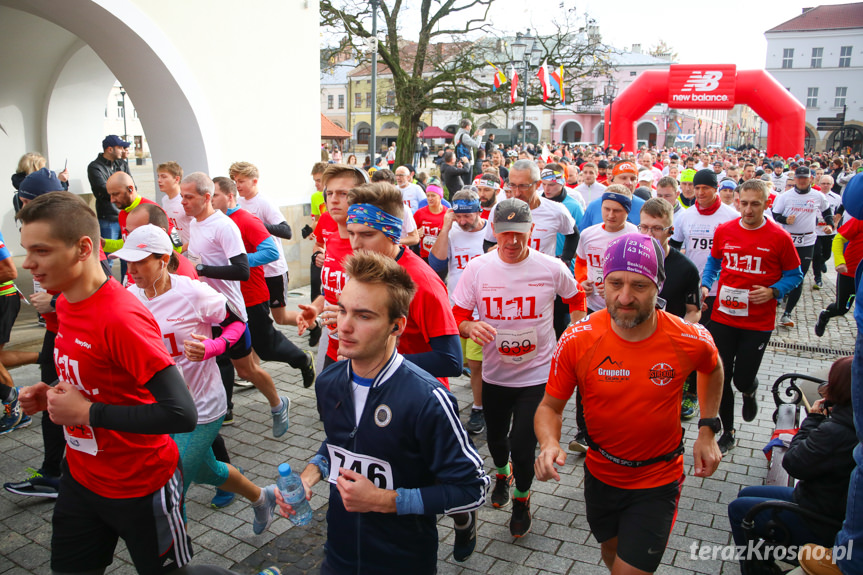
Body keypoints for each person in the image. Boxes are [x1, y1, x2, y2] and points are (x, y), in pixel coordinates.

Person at [16, 191, 199, 574]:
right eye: (26, 250)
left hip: (142, 486)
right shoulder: (65, 301)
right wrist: (51, 390)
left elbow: (181, 414)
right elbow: (94, 377)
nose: (28, 263)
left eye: (41, 251)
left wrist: (88, 412)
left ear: (84, 248)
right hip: (81, 479)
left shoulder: (121, 318)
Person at [275, 251, 489, 573]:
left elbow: (473, 487)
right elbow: (342, 444)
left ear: (396, 326)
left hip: (403, 562)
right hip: (338, 557)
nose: (344, 327)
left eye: (363, 316)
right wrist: (310, 474)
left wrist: (383, 501)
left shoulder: (428, 399)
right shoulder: (330, 382)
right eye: (343, 310)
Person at [535, 232, 723, 575]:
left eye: (639, 285)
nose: (624, 297)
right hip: (601, 473)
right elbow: (550, 407)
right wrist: (548, 443)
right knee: (611, 549)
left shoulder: (688, 338)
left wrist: (708, 428)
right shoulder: (578, 339)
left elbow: (713, 366)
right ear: (602, 282)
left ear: (659, 286)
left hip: (658, 478)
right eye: (615, 283)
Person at [114, 224, 280, 533]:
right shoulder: (129, 296)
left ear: (163, 260)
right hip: (160, 407)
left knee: (171, 484)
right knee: (208, 471)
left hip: (202, 406)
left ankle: (177, 560)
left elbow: (238, 325)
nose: (131, 269)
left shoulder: (193, 292)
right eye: (128, 261)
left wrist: (212, 346)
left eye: (140, 261)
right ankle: (262, 497)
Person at [452, 198, 586, 538]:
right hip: (496, 374)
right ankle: (501, 472)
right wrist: (469, 328)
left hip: (538, 374)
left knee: (523, 445)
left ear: (532, 231)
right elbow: (457, 315)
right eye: (505, 233)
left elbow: (576, 297)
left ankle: (522, 499)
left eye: (520, 233)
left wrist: (575, 328)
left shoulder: (551, 267)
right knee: (497, 441)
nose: (512, 242)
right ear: (493, 230)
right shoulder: (478, 268)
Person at [181, 172, 291, 436]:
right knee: (206, 365)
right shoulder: (196, 223)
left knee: (247, 368)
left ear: (206, 198)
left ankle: (278, 404)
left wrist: (202, 268)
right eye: (182, 196)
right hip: (204, 311)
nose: (183, 202)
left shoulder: (224, 226)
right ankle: (211, 418)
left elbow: (242, 270)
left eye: (188, 197)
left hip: (229, 312)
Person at [701, 179, 803, 452]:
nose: (748, 210)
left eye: (755, 204)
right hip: (724, 316)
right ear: (737, 201)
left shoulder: (779, 237)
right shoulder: (725, 230)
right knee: (720, 375)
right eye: (743, 203)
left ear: (767, 204)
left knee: (741, 378)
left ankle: (749, 390)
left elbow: (795, 275)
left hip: (758, 321)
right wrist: (705, 283)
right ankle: (728, 431)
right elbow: (714, 260)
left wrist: (773, 291)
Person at [727, 357, 856, 570]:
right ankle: (762, 557)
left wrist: (813, 420)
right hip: (824, 502)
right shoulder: (849, 420)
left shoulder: (838, 430)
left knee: (739, 510)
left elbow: (793, 462)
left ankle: (758, 570)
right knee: (745, 494)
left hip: (820, 519)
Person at [428, 189, 488, 435]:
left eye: (468, 216)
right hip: (455, 307)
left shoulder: (490, 232)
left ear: (479, 211)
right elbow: (436, 265)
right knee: (455, 361)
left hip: (482, 310)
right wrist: (445, 228)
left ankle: (478, 407)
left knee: (476, 364)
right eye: (458, 216)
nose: (463, 221)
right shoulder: (452, 232)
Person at [639, 198, 703, 419]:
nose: (649, 234)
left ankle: (689, 392)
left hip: (670, 341)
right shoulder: (629, 259)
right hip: (636, 339)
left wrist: (680, 331)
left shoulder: (686, 268)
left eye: (656, 228)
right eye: (644, 227)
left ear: (671, 232)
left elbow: (694, 310)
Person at [669, 169, 739, 326]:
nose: (700, 192)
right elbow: (673, 247)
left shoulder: (732, 216)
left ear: (716, 189)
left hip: (722, 287)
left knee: (717, 336)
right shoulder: (685, 216)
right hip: (693, 284)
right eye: (697, 187)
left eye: (705, 188)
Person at [230, 162, 295, 326]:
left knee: (280, 318)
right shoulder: (237, 202)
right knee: (259, 319)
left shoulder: (264, 202)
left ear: (254, 181)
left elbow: (286, 231)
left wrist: (256, 225)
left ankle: (313, 324)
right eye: (235, 181)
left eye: (242, 181)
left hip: (273, 270)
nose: (238, 185)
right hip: (254, 271)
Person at [772, 166, 834, 328]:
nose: (801, 181)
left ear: (810, 179)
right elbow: (775, 214)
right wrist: (785, 220)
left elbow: (827, 211)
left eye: (805, 178)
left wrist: (830, 224)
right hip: (788, 241)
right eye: (799, 178)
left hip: (807, 241)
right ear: (795, 179)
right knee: (780, 275)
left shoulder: (818, 196)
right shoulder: (785, 197)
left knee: (799, 277)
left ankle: (787, 314)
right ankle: (777, 300)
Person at [483, 160, 577, 262]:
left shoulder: (556, 210)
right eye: (513, 185)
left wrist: (565, 260)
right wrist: (490, 251)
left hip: (542, 274)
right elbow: (488, 242)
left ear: (537, 184)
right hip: (509, 275)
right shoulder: (500, 209)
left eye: (524, 186)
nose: (517, 193)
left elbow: (573, 235)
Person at [815, 208, 863, 337]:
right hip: (850, 272)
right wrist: (840, 261)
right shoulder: (860, 220)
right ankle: (825, 315)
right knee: (842, 309)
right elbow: (838, 239)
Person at [579, 161, 646, 228]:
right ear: (612, 179)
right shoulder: (594, 206)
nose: (629, 183)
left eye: (633, 179)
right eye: (623, 178)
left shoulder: (644, 207)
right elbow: (583, 235)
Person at [87, 135, 129, 243]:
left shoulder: (122, 164)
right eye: (120, 147)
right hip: (108, 218)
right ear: (110, 149)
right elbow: (104, 190)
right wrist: (123, 189)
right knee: (108, 257)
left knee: (128, 255)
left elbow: (133, 186)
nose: (123, 151)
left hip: (126, 217)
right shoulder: (95, 167)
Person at [812, 174, 842, 290]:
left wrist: (836, 223)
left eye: (828, 184)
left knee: (827, 254)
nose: (825, 186)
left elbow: (839, 212)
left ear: (832, 185)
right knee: (816, 254)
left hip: (829, 230)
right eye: (823, 183)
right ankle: (818, 278)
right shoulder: (815, 196)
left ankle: (822, 262)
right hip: (816, 230)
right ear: (819, 184)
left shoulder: (837, 198)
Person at [157, 161, 191, 246]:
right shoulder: (164, 200)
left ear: (177, 179)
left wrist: (183, 249)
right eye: (158, 177)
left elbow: (200, 228)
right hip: (176, 251)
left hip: (192, 253)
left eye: (164, 177)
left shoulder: (186, 200)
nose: (159, 180)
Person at [413, 183, 446, 262]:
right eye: (428, 195)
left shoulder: (447, 214)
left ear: (440, 196)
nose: (430, 198)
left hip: (442, 257)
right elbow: (410, 234)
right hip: (424, 256)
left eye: (433, 195)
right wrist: (416, 234)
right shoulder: (419, 213)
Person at [453, 119, 485, 184]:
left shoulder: (458, 134)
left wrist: (473, 136)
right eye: (470, 126)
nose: (471, 128)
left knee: (461, 182)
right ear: (467, 126)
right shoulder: (465, 135)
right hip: (467, 161)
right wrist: (480, 136)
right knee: (467, 182)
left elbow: (466, 144)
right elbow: (476, 145)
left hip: (460, 160)